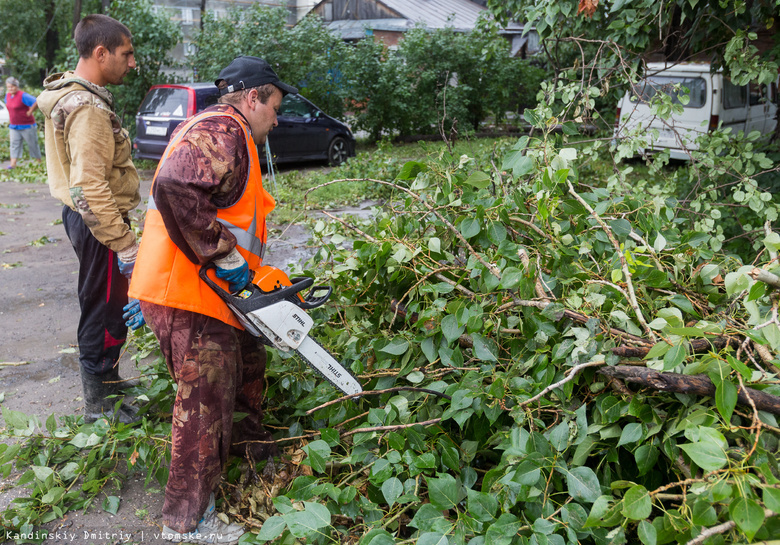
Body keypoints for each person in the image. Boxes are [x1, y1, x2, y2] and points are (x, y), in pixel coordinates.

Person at [128, 56, 296, 544]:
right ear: (252, 98)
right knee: (204, 408)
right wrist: (221, 254)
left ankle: (250, 458)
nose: (277, 119)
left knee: (248, 365)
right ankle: (186, 523)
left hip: (207, 292)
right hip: (192, 294)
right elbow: (173, 185)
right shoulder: (225, 129)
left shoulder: (224, 132)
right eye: (275, 107)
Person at [37, 14, 144, 425]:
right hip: (100, 222)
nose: (131, 62)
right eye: (126, 53)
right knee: (102, 308)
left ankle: (109, 381)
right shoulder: (87, 108)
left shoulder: (75, 95)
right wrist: (125, 244)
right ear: (101, 53)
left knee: (108, 304)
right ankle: (99, 401)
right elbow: (88, 187)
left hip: (92, 220)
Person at [4, 77, 42, 169]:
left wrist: (30, 111)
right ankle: (13, 164)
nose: (10, 89)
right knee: (14, 145)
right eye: (8, 87)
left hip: (27, 125)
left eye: (12, 87)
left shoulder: (23, 95)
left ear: (17, 86)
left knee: (32, 144)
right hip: (14, 126)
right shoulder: (8, 96)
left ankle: (39, 162)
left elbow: (37, 101)